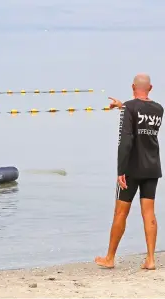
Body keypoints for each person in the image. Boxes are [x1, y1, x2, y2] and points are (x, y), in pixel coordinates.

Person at [95, 73, 164, 270]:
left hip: (132, 168)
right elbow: (140, 114)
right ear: (150, 88)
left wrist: (120, 170)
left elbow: (125, 141)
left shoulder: (129, 108)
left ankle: (109, 258)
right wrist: (122, 107)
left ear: (132, 86)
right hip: (152, 167)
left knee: (120, 213)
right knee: (149, 213)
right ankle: (150, 259)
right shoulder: (159, 109)